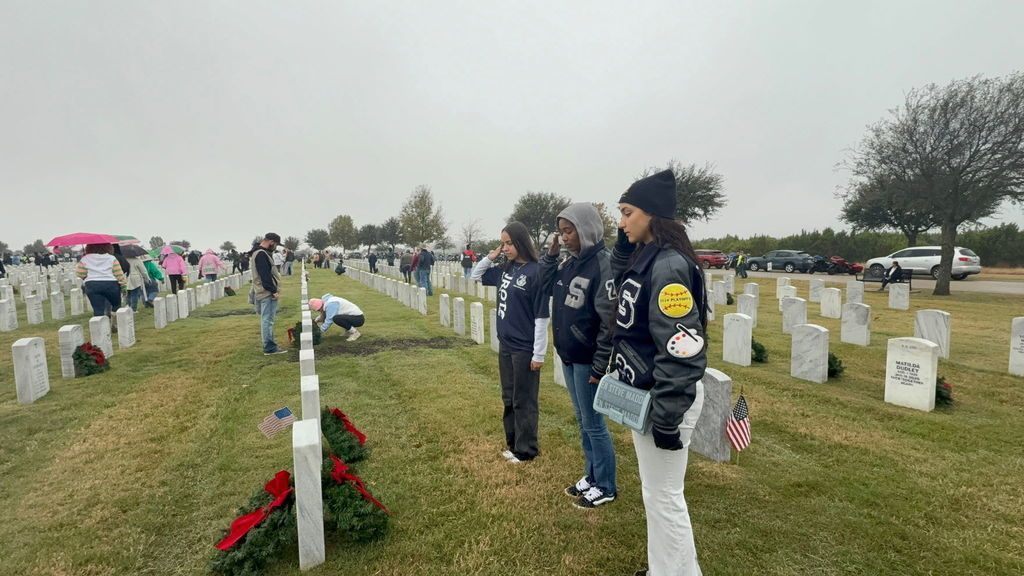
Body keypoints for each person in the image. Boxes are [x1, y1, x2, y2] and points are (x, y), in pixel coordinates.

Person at [610, 170, 707, 576]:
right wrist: (623, 240)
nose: (621, 222)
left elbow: (681, 346)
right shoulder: (649, 257)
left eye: (628, 213)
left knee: (665, 496)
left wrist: (667, 414)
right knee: (656, 495)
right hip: (652, 391)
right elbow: (618, 283)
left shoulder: (668, 267)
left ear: (652, 215)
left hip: (667, 396)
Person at [538, 204, 618, 508]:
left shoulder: (601, 264)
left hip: (588, 359)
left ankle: (607, 485)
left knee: (594, 424)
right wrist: (551, 253)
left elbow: (608, 321)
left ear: (586, 229)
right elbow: (543, 285)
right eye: (561, 231)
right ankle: (592, 475)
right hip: (569, 356)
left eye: (568, 230)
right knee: (583, 420)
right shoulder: (568, 264)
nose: (564, 236)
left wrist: (600, 365)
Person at [471, 222, 550, 463]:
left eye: (508, 243)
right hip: (505, 343)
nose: (504, 248)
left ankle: (527, 450)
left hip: (524, 347)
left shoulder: (536, 271)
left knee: (523, 399)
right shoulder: (507, 269)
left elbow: (541, 315)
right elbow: (476, 276)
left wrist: (539, 354)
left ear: (521, 242)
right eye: (502, 243)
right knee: (508, 396)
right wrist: (490, 256)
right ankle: (513, 443)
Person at [250, 233, 286, 355]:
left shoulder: (260, 252)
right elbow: (264, 275)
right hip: (266, 292)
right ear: (271, 241)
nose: (275, 247)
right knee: (267, 320)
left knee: (267, 319)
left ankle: (270, 345)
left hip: (265, 291)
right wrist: (273, 290)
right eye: (275, 244)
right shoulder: (261, 254)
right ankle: (269, 347)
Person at [76, 243, 127, 318]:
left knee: (98, 309)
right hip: (110, 284)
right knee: (116, 305)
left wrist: (86, 276)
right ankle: (114, 321)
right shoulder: (111, 258)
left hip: (92, 284)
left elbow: (79, 273)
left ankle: (100, 326)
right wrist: (123, 286)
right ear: (108, 247)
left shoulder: (85, 259)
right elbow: (119, 274)